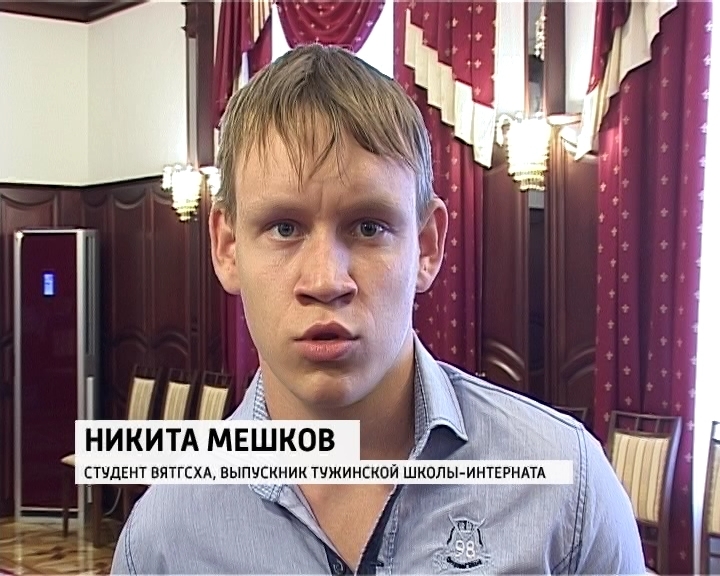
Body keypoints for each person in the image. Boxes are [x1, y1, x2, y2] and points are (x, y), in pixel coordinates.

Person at [111, 44, 646, 575]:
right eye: (284, 228)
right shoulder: (163, 539)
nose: (326, 281)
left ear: (427, 246)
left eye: (368, 227)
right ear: (228, 248)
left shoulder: (566, 491)